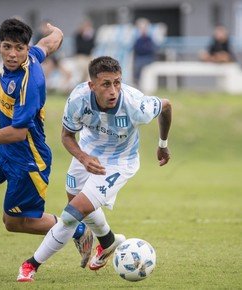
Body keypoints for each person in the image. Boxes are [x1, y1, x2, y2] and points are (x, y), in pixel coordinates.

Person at [17, 56, 172, 282]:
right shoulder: (78, 99)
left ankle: (31, 264)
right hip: (87, 155)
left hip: (120, 163)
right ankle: (108, 241)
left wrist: (163, 145)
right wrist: (82, 156)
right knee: (77, 205)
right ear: (92, 85)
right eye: (106, 84)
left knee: (72, 214)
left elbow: (166, 105)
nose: (113, 90)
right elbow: (67, 136)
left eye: (117, 82)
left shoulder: (136, 104)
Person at [0, 18, 92, 266]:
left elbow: (18, 133)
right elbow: (50, 43)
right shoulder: (34, 54)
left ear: (26, 49)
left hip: (27, 158)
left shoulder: (31, 81)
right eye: (7, 47)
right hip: (1, 150)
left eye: (19, 48)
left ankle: (77, 230)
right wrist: (57, 31)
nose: (12, 54)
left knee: (14, 223)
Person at [132, 18, 157, 87]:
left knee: (140, 64)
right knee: (137, 65)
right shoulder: (138, 39)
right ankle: (137, 81)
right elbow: (137, 49)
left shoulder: (149, 39)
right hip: (140, 58)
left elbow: (151, 49)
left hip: (148, 58)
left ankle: (138, 81)